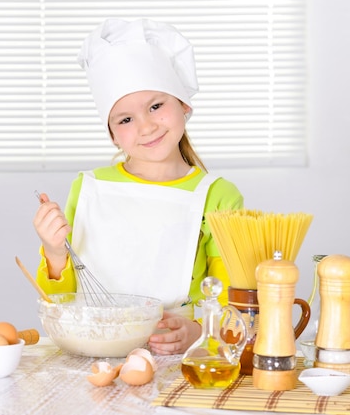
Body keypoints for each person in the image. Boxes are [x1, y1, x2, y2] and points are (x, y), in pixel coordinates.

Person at [33, 18, 243, 355]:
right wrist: (55, 251)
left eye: (156, 106)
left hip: (172, 354)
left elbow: (232, 299)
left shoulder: (218, 195)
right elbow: (63, 295)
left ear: (184, 105)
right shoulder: (89, 187)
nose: (146, 127)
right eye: (126, 119)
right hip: (92, 349)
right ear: (112, 133)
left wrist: (197, 331)